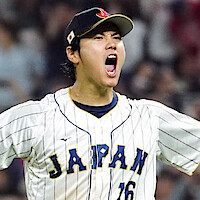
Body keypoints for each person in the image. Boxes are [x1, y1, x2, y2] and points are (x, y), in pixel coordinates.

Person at [0, 7, 200, 200]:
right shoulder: (35, 118)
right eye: (98, 38)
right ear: (73, 54)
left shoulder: (149, 117)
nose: (112, 44)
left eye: (117, 38)